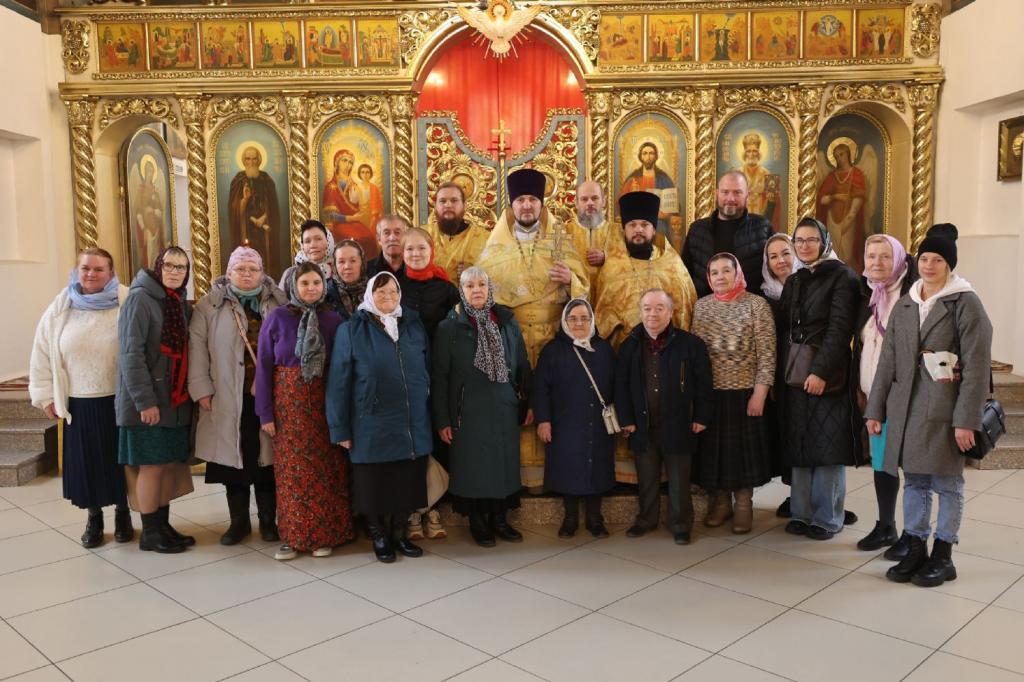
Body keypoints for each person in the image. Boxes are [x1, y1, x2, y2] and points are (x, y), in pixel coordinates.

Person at [866, 224, 992, 587]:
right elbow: (887, 360)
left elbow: (977, 367)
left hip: (945, 410)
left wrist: (966, 420)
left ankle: (944, 554)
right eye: (924, 259)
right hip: (906, 409)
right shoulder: (907, 303)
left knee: (947, 483)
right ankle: (916, 546)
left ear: (949, 264)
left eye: (938, 260)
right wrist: (875, 409)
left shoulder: (965, 303)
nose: (929, 266)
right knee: (915, 482)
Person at [475, 168, 589, 489]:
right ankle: (518, 480)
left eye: (532, 200)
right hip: (512, 344)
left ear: (541, 204)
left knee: (556, 406)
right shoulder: (495, 247)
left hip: (553, 340)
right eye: (521, 200)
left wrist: (572, 280)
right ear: (512, 205)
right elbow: (480, 293)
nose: (527, 205)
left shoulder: (560, 241)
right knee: (514, 407)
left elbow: (584, 290)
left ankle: (555, 479)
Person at [30, 248, 132, 548]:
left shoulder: (127, 301)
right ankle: (94, 517)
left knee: (120, 462)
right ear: (77, 271)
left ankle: (124, 513)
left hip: (119, 399)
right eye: (85, 268)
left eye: (99, 269)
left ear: (111, 273)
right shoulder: (61, 307)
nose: (91, 274)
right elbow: (41, 352)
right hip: (79, 402)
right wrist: (45, 395)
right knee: (88, 465)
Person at [326, 272, 431, 563]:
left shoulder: (412, 324)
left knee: (406, 481)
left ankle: (399, 534)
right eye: (381, 292)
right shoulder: (352, 329)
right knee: (373, 484)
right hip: (370, 421)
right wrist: (340, 428)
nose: (388, 297)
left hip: (410, 419)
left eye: (393, 292)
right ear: (370, 295)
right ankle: (379, 536)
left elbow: (426, 368)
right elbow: (338, 383)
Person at [189, 246, 286, 546]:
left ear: (262, 273)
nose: (246, 274)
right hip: (227, 395)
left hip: (270, 397)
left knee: (267, 460)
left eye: (252, 269)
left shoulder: (279, 302)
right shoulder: (209, 305)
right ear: (228, 272)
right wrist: (201, 388)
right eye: (240, 269)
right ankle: (238, 522)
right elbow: (197, 349)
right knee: (233, 461)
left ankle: (268, 521)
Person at [257, 262, 353, 560]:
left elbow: (342, 367)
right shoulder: (278, 317)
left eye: (316, 283)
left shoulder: (334, 320)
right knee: (291, 473)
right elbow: (264, 366)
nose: (311, 288)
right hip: (288, 407)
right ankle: (293, 535)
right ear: (293, 287)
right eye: (304, 283)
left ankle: (324, 535)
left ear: (324, 286)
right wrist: (265, 413)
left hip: (325, 403)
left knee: (325, 470)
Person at [432, 267, 530, 547]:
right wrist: (442, 419)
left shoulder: (507, 322)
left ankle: (500, 520)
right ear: (461, 291)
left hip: (503, 406)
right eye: (470, 285)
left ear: (490, 289)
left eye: (482, 285)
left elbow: (522, 364)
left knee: (502, 464)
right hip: (467, 411)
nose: (477, 290)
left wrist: (527, 402)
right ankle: (478, 522)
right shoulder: (449, 327)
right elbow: (440, 377)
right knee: (473, 468)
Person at [778, 217, 861, 541]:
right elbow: (786, 328)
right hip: (795, 373)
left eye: (812, 239)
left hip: (828, 374)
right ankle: (802, 513)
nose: (805, 245)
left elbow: (840, 329)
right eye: (799, 240)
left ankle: (827, 517)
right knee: (800, 442)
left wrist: (820, 371)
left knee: (827, 446)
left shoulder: (843, 276)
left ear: (824, 242)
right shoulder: (795, 279)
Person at [615, 289, 714, 545]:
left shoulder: (691, 344)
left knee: (679, 479)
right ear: (640, 312)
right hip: (642, 425)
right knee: (647, 477)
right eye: (647, 308)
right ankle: (646, 520)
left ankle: (680, 524)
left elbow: (704, 384)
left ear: (670, 312)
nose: (653, 314)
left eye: (660, 308)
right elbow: (620, 386)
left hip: (680, 423)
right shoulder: (629, 345)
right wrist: (626, 419)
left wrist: (701, 416)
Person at [116, 247, 195, 553]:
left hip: (173, 400)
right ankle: (150, 532)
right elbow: (130, 354)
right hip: (148, 402)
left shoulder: (176, 301)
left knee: (166, 465)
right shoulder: (140, 299)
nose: (175, 271)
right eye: (170, 266)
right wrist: (144, 401)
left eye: (181, 267)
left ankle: (162, 525)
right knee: (151, 466)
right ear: (158, 267)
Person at [691, 253, 776, 534]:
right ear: (708, 278)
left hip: (745, 392)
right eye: (714, 272)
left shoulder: (756, 305)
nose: (720, 277)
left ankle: (743, 504)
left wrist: (760, 393)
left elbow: (767, 353)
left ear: (737, 273)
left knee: (742, 454)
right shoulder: (701, 307)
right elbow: (695, 355)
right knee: (714, 452)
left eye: (726, 270)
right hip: (711, 393)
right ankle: (720, 503)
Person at [852, 234, 917, 557]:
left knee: (913, 467)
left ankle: (913, 534)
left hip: (906, 397)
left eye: (885, 256)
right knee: (882, 464)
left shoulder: (912, 295)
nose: (877, 262)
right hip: (874, 396)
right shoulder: (867, 293)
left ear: (899, 259)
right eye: (871, 256)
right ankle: (886, 525)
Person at [532, 298, 615, 538]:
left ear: (592, 320)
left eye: (584, 318)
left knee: (596, 467)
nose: (579, 323)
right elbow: (541, 389)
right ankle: (570, 519)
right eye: (573, 318)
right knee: (568, 468)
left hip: (598, 423)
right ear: (564, 321)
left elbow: (618, 384)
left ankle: (595, 519)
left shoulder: (604, 350)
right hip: (564, 423)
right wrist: (544, 420)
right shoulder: (552, 350)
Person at [397, 227, 458, 541]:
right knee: (412, 440)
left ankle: (434, 507)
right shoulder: (394, 286)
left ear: (431, 250)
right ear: (402, 253)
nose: (416, 254)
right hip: (407, 373)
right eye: (410, 249)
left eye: (421, 248)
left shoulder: (446, 288)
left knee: (438, 435)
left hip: (440, 373)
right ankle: (412, 509)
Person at [594, 191, 697, 350]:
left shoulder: (672, 265)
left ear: (654, 229)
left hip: (668, 349)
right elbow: (603, 319)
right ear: (624, 230)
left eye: (644, 224)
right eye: (632, 225)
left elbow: (685, 310)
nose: (638, 230)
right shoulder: (612, 268)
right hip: (625, 352)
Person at [683, 171, 775, 298]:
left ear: (747, 195)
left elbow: (774, 273)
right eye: (725, 192)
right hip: (705, 306)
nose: (730, 199)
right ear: (717, 194)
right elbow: (684, 274)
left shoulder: (763, 227)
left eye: (737, 192)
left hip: (750, 306)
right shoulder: (697, 229)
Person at [228, 146, 281, 274]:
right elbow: (233, 209)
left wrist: (264, 217)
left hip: (264, 231)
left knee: (265, 261)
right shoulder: (238, 180)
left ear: (259, 160)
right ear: (243, 161)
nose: (251, 162)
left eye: (254, 159)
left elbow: (273, 206)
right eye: (248, 159)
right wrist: (245, 199)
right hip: (245, 230)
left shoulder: (266, 179)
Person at [816, 143, 867, 273]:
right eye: (836, 156)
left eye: (841, 154)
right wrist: (835, 197)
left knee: (847, 253)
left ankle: (847, 275)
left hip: (849, 219)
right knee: (833, 251)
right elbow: (822, 199)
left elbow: (859, 198)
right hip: (832, 219)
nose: (839, 158)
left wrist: (849, 217)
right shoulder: (832, 176)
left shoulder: (856, 174)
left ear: (848, 154)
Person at [425, 181, 490, 282]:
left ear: (464, 205)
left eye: (454, 200)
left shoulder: (484, 238)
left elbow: (496, 274)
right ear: (435, 206)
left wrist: (475, 272)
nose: (448, 205)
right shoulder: (424, 236)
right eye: (442, 201)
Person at [618, 142, 679, 236]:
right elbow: (621, 204)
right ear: (640, 156)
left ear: (656, 156)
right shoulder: (633, 179)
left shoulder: (664, 178)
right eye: (645, 153)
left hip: (659, 224)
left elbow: (674, 207)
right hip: (637, 224)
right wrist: (633, 195)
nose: (648, 157)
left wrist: (666, 214)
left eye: (651, 153)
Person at [566, 180, 618, 290]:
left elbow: (629, 263)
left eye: (595, 198)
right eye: (584, 199)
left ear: (604, 201)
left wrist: (606, 257)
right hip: (574, 296)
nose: (590, 203)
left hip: (608, 295)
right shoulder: (564, 231)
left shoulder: (617, 231)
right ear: (576, 203)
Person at [322, 148, 375, 256]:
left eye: (350, 162)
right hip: (338, 225)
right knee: (356, 240)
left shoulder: (354, 185)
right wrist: (351, 218)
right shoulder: (331, 187)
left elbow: (359, 209)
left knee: (369, 238)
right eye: (344, 160)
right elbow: (330, 216)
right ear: (337, 162)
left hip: (354, 223)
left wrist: (357, 204)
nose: (348, 165)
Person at [280, 219, 335, 299]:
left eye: (318, 239)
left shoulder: (339, 271)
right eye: (307, 241)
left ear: (328, 241)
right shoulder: (290, 274)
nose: (313, 245)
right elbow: (281, 303)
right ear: (302, 246)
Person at [325, 238, 367, 319]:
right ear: (334, 265)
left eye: (353, 261)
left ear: (362, 263)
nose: (347, 266)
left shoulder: (374, 289)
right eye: (341, 261)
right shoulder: (324, 292)